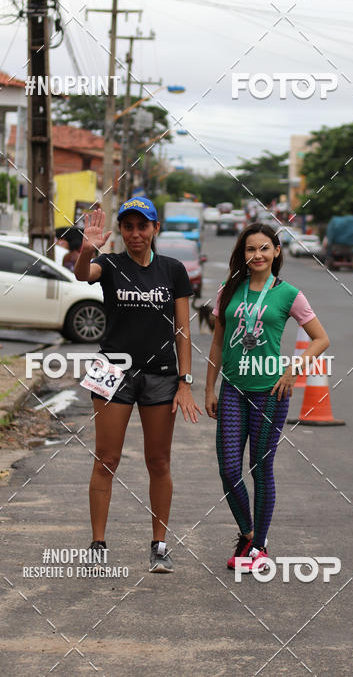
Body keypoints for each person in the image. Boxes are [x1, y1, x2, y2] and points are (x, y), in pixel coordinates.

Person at [74, 197, 202, 573]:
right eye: (127, 226)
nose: (134, 234)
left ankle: (159, 545)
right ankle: (98, 545)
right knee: (106, 459)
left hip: (161, 375)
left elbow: (182, 330)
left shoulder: (173, 270)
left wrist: (185, 381)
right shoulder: (110, 264)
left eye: (142, 226)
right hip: (111, 371)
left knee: (158, 461)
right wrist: (86, 251)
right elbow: (84, 275)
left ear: (154, 229)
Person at [205, 223, 329, 571]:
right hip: (233, 388)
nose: (256, 255)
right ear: (242, 254)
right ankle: (247, 533)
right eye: (249, 249)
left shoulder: (289, 293)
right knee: (229, 469)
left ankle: (259, 547)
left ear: (276, 251)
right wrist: (208, 387)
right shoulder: (229, 290)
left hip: (270, 393)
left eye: (263, 248)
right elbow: (217, 341)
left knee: (260, 469)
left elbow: (321, 339)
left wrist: (292, 370)